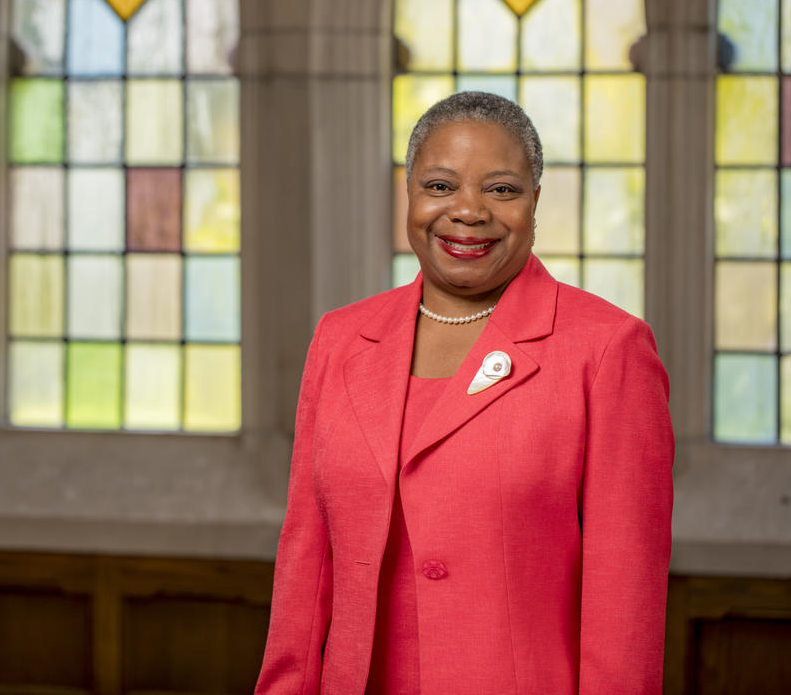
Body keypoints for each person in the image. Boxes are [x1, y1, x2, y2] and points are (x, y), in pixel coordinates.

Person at [254, 92, 674, 695]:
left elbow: (624, 603)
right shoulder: (341, 340)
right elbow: (305, 563)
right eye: (440, 186)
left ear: (534, 201)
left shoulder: (608, 351)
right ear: (409, 195)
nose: (468, 212)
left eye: (501, 189)